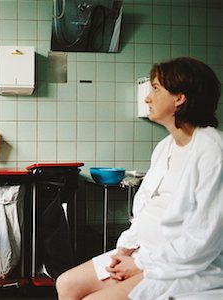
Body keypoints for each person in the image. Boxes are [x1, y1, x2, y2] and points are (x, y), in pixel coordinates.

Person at [56, 57, 223, 300]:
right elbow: (146, 209)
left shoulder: (212, 151)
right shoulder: (166, 147)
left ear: (180, 98)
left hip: (183, 264)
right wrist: (125, 248)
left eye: (155, 89)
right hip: (144, 252)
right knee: (67, 283)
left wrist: (142, 264)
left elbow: (202, 238)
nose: (147, 98)